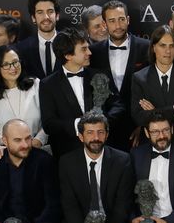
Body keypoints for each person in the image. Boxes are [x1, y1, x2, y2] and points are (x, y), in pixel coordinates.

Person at [41, 28, 124, 158]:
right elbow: (49, 124)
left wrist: (101, 124)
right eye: (84, 49)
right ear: (68, 55)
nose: (90, 52)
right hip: (68, 154)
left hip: (105, 151)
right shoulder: (48, 85)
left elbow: (118, 106)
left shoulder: (100, 76)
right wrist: (78, 124)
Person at [88, 0, 151, 150]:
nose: (118, 26)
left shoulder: (146, 47)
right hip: (105, 129)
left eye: (121, 19)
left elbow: (152, 88)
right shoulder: (93, 53)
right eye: (112, 21)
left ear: (128, 20)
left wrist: (143, 125)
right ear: (104, 24)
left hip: (138, 128)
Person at [131, 25, 174, 151]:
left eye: (172, 46)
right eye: (163, 45)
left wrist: (154, 112)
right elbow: (138, 117)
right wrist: (173, 110)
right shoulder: (139, 78)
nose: (168, 51)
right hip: (151, 146)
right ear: (153, 48)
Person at [0, 46, 47, 157]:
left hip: (36, 150)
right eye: (6, 64)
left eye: (15, 62)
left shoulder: (35, 84)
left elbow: (47, 120)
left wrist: (39, 140)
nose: (13, 68)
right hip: (8, 156)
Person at [16, 0, 61, 79]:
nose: (46, 17)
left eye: (50, 11)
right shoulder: (21, 49)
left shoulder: (71, 44)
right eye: (40, 12)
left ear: (57, 16)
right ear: (33, 18)